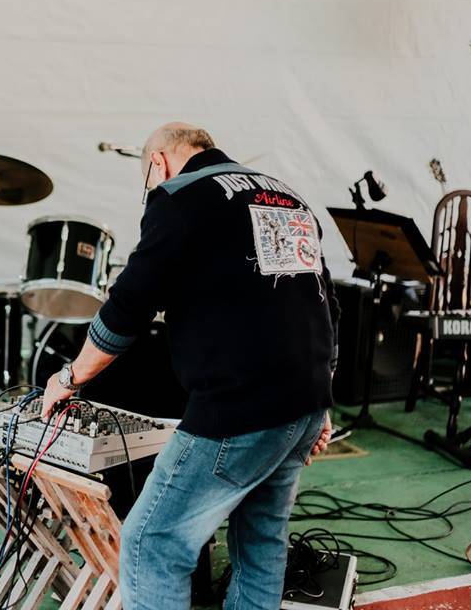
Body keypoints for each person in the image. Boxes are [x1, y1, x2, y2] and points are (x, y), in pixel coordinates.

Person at [41, 122, 339, 610]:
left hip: (240, 409)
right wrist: (321, 396)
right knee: (262, 543)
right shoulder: (287, 196)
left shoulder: (179, 196)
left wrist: (70, 377)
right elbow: (325, 306)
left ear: (158, 162)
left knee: (150, 543)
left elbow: (128, 305)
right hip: (304, 403)